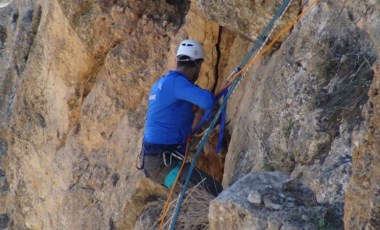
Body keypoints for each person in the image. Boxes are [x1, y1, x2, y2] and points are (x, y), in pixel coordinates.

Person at [137, 39, 223, 196]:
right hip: (163, 163)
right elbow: (208, 101)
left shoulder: (160, 83)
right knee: (215, 192)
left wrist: (193, 113)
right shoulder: (178, 83)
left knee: (200, 193)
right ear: (197, 65)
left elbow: (172, 119)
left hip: (156, 160)